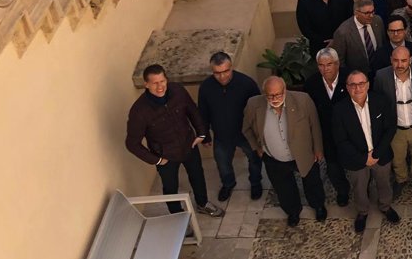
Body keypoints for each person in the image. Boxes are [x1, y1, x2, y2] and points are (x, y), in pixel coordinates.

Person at [126, 64, 224, 217]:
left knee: (198, 176)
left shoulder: (177, 91)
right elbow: (132, 144)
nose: (160, 87)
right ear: (146, 84)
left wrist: (202, 134)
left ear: (167, 79)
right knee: (170, 187)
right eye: (155, 83)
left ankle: (202, 204)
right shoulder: (139, 111)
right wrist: (157, 160)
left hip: (188, 145)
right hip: (165, 156)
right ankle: (177, 215)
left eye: (162, 81)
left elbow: (193, 111)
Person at [242, 76, 326, 226]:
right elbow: (246, 129)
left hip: (303, 154)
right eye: (270, 95)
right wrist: (257, 147)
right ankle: (293, 211)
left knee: (313, 182)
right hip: (274, 158)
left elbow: (315, 125)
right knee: (283, 188)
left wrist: (318, 149)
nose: (274, 99)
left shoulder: (303, 100)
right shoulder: (253, 104)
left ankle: (318, 205)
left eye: (278, 94)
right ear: (264, 93)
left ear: (285, 90)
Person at [332, 70, 401, 233]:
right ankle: (362, 212)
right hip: (356, 159)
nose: (357, 88)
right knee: (359, 188)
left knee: (384, 183)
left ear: (368, 85)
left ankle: (385, 206)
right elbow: (341, 140)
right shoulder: (339, 109)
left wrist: (376, 154)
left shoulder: (380, 101)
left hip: (380, 155)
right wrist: (364, 158)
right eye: (353, 85)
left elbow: (390, 128)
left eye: (361, 84)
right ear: (347, 87)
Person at [197, 51, 263, 201]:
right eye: (217, 73)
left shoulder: (247, 84)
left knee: (254, 160)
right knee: (222, 163)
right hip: (221, 135)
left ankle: (255, 183)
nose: (222, 76)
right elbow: (203, 112)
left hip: (246, 133)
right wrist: (205, 135)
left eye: (226, 71)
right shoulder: (206, 87)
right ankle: (228, 184)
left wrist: (259, 134)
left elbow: (258, 111)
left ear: (231, 67)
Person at [373, 46, 412, 200]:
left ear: (410, 60)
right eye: (396, 60)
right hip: (395, 129)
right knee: (398, 159)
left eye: (404, 60)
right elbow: (377, 102)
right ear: (391, 60)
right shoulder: (381, 76)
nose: (400, 65)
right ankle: (401, 179)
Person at [302, 47, 353, 206]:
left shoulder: (350, 78)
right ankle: (342, 191)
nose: (325, 69)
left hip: (350, 133)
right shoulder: (311, 84)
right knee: (333, 167)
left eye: (329, 64)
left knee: (357, 164)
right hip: (326, 134)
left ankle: (362, 189)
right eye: (321, 65)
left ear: (337, 64)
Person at [330, 0, 385, 78]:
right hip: (357, 77)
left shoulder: (377, 21)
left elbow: (383, 44)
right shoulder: (343, 32)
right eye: (367, 13)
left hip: (379, 73)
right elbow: (340, 62)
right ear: (356, 13)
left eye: (372, 11)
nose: (371, 15)